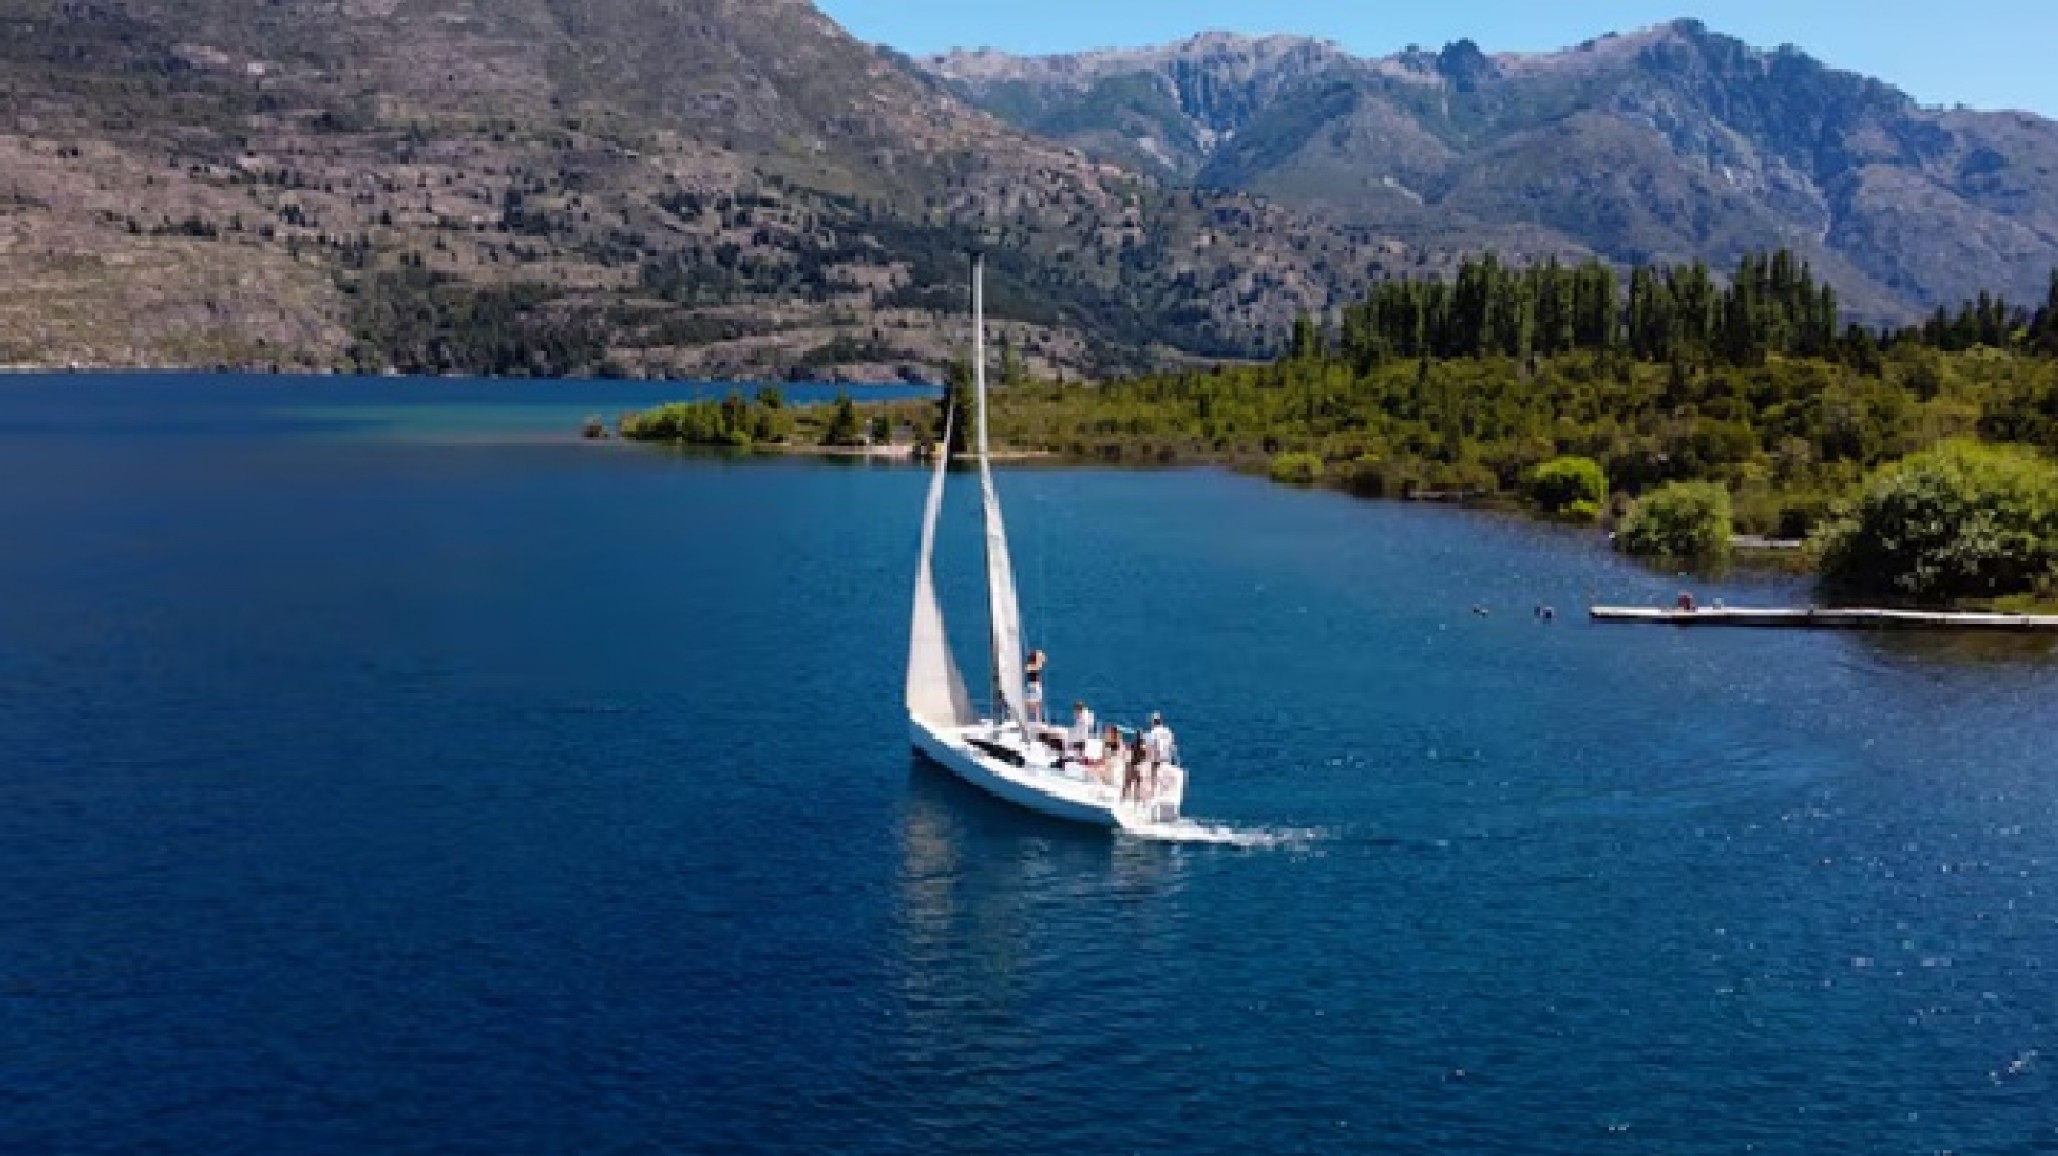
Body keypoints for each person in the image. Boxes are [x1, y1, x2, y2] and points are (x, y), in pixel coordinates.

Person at [1024, 648, 1046, 725]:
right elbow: (1043, 658)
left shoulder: (1034, 665)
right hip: (1034, 685)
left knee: (1034, 704)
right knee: (1032, 704)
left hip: (1033, 686)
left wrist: (1037, 654)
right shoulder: (1034, 665)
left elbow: (1043, 657)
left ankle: (1036, 721)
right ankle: (1034, 720)